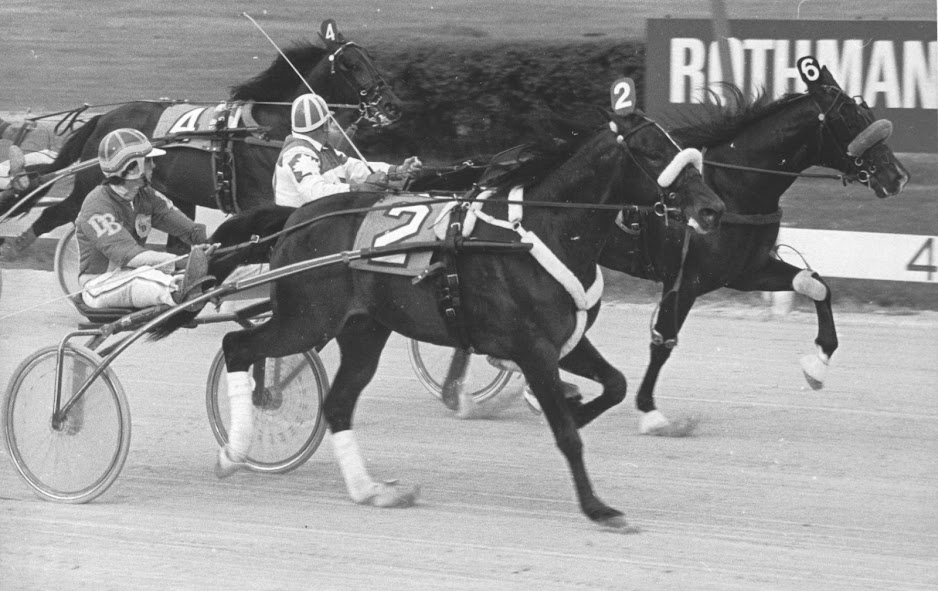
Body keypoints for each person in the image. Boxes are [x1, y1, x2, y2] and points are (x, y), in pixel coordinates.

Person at [76, 128, 214, 310]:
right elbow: (131, 257)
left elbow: (192, 231)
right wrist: (184, 261)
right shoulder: (96, 206)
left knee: (149, 274)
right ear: (132, 168)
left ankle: (193, 288)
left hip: (141, 275)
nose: (154, 166)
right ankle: (181, 290)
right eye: (148, 161)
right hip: (101, 285)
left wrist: (219, 242)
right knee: (142, 276)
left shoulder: (146, 196)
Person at [273, 92, 423, 207]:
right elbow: (315, 192)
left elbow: (354, 168)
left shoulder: (323, 150)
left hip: (320, 220)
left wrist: (397, 170)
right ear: (326, 125)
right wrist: (360, 188)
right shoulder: (297, 154)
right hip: (299, 231)